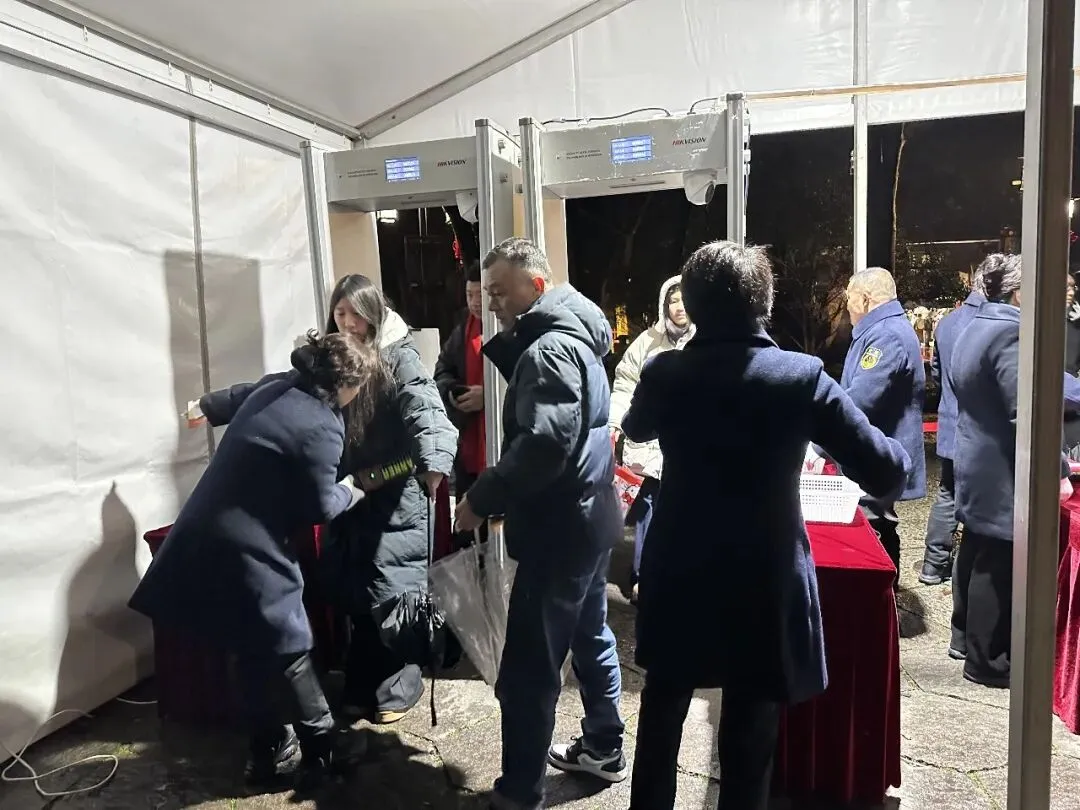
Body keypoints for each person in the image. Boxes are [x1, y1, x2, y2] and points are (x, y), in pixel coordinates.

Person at [621, 241, 909, 810]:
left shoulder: (666, 371)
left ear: (691, 306)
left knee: (662, 714)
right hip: (764, 576)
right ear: (765, 304)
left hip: (679, 567)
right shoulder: (799, 376)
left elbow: (635, 426)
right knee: (750, 739)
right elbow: (884, 469)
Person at [129, 332, 381, 785]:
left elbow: (243, 393)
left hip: (203, 531)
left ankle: (267, 753)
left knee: (247, 645)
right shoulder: (323, 426)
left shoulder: (282, 384)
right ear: (347, 385)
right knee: (290, 644)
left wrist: (206, 406)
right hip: (249, 545)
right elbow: (320, 507)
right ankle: (322, 747)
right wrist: (354, 488)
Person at [453, 237, 625, 810]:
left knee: (530, 667)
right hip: (589, 519)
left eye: (501, 291)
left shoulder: (548, 350)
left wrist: (482, 496)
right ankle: (603, 745)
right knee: (591, 635)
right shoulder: (578, 336)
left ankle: (519, 791)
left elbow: (545, 444)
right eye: (488, 292)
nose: (491, 303)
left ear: (537, 286)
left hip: (559, 529)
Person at [322, 274, 459, 724]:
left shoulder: (399, 354)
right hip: (352, 492)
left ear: (375, 315)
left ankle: (401, 682)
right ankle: (361, 682)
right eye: (340, 313)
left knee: (392, 594)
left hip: (395, 488)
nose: (348, 323)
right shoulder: (334, 354)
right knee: (356, 591)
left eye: (357, 315)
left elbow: (426, 408)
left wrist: (434, 458)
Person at [950, 253, 1079, 687]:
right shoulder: (1013, 332)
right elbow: (1027, 412)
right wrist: (1057, 469)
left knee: (977, 550)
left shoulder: (975, 324)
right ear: (1020, 293)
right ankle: (987, 662)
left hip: (977, 458)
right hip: (1002, 467)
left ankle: (965, 640)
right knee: (999, 563)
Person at [609, 275, 694, 602]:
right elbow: (624, 384)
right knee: (648, 511)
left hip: (688, 448)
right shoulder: (646, 342)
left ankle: (680, 575)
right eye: (672, 301)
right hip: (648, 446)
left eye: (684, 300)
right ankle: (643, 576)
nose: (679, 307)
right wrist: (615, 422)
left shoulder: (705, 339)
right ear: (663, 305)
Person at [840, 267, 926, 579]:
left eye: (849, 298)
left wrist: (819, 439)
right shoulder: (884, 330)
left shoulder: (885, 336)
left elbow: (860, 399)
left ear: (865, 299)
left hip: (878, 454)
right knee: (880, 522)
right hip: (880, 450)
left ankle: (883, 595)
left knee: (874, 526)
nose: (847, 306)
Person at [918, 268, 986, 585]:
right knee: (978, 499)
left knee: (947, 494)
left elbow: (936, 372)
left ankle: (933, 564)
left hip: (949, 422)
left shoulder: (947, 323)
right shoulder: (989, 324)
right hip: (979, 430)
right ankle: (968, 568)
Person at [434, 261, 488, 547]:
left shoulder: (508, 327)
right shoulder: (462, 329)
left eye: (481, 294)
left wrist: (489, 396)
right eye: (470, 295)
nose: (475, 302)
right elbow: (442, 370)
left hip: (497, 444)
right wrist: (454, 394)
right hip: (468, 442)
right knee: (467, 535)